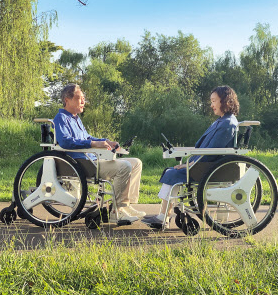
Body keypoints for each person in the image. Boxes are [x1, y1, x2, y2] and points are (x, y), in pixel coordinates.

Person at [141, 85, 240, 228]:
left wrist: (189, 165)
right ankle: (164, 216)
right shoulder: (222, 121)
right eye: (211, 101)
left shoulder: (227, 124)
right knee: (172, 172)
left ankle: (163, 217)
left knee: (172, 173)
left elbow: (211, 152)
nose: (211, 105)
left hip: (209, 168)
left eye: (214, 101)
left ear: (226, 101)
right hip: (206, 164)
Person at [53, 83, 145, 223]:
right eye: (80, 98)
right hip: (81, 163)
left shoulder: (76, 118)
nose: (84, 101)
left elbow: (88, 138)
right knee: (124, 166)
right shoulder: (61, 118)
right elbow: (65, 142)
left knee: (136, 163)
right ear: (67, 100)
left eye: (84, 98)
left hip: (91, 160)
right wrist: (93, 144)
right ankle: (117, 211)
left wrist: (106, 141)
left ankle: (126, 205)